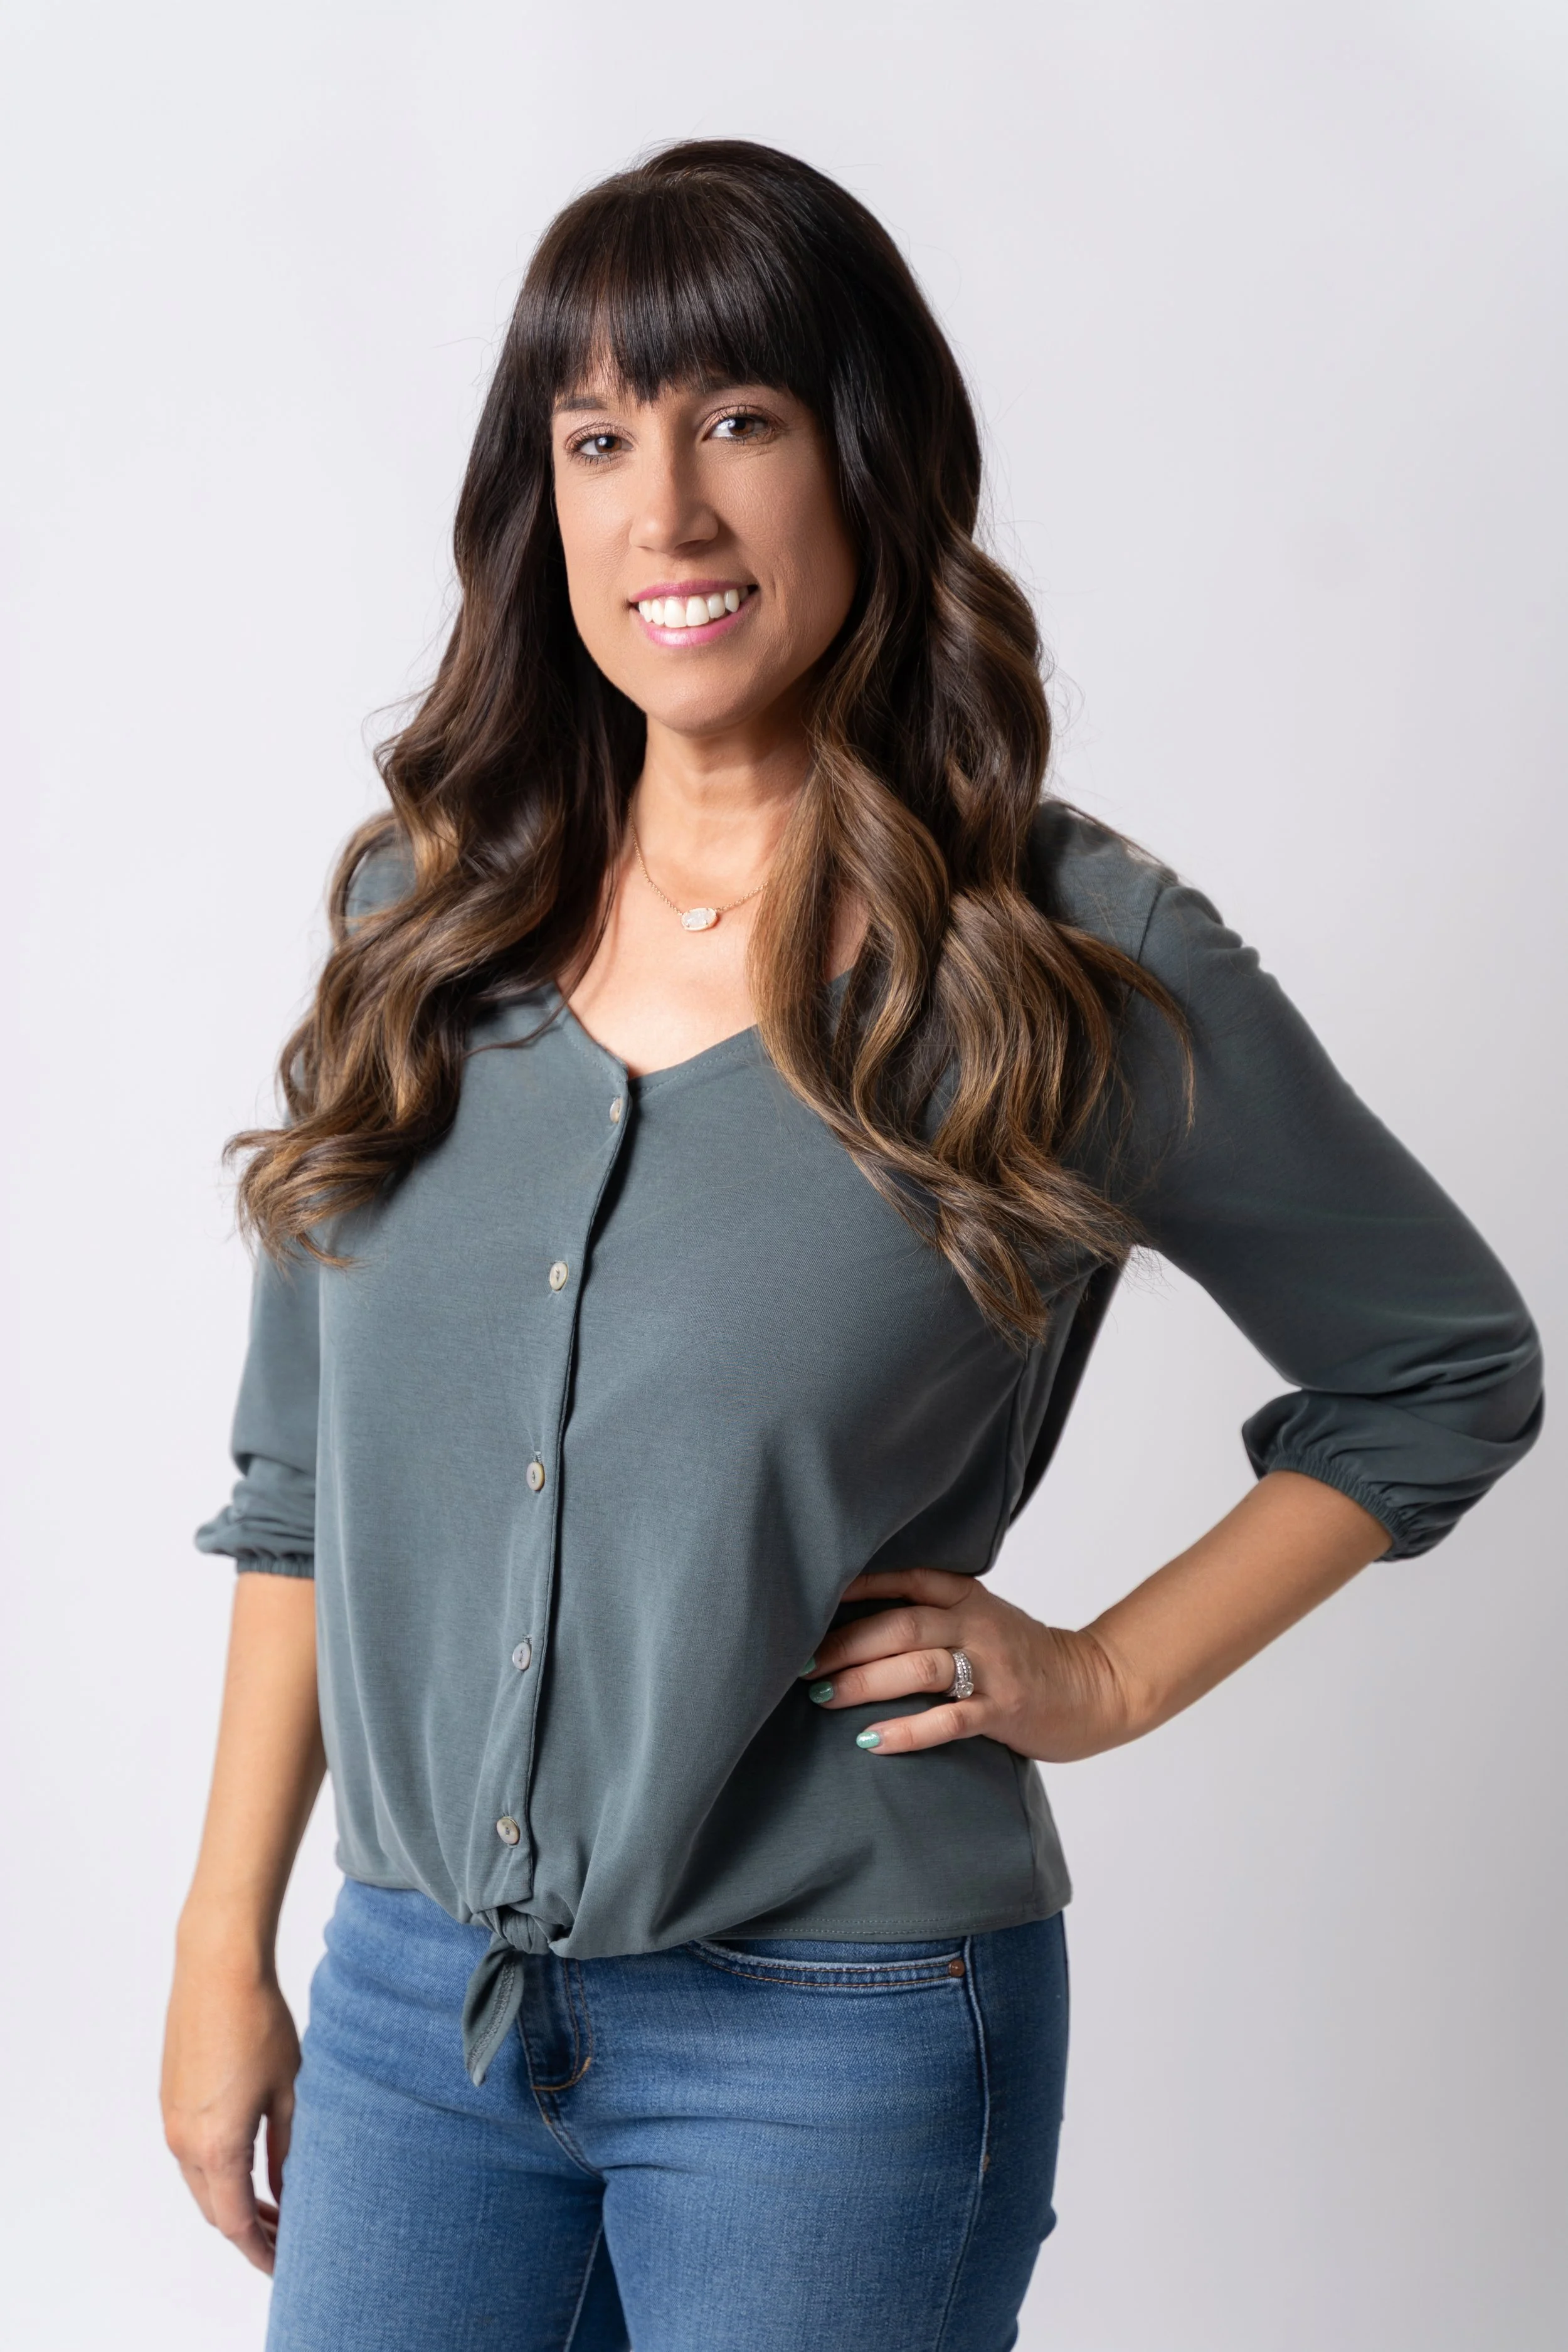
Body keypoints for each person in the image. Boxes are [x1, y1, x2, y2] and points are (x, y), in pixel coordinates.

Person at [160, 140, 1543, 2352]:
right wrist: (224, 1944)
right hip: (420, 2004)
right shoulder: (413, 924)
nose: (663, 515)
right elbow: (303, 1488)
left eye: (735, 421)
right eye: (596, 438)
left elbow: (1444, 1364)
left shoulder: (1066, 957)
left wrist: (1102, 1672)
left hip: (840, 2024)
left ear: (865, 459)